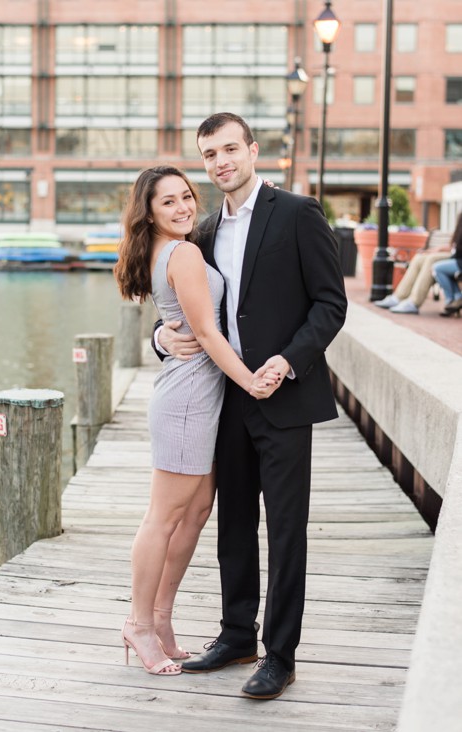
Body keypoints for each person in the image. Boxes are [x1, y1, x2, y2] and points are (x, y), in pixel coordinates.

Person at [154, 112, 347, 700]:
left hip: (284, 395)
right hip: (225, 399)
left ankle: (279, 654)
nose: (221, 162)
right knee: (232, 522)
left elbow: (330, 304)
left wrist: (288, 361)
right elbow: (182, 311)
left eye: (230, 149)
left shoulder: (298, 213)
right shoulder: (203, 232)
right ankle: (236, 634)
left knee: (286, 530)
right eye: (209, 154)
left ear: (254, 151)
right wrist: (160, 339)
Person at [114, 166, 278, 677]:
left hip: (201, 397)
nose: (184, 207)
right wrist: (251, 381)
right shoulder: (182, 253)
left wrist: (163, 338)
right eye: (169, 202)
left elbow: (179, 323)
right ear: (150, 212)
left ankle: (161, 617)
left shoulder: (178, 246)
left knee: (198, 509)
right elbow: (207, 333)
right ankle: (139, 623)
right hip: (187, 397)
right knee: (163, 517)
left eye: (187, 196)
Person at [433, 212, 462, 317]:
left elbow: (457, 249)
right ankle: (457, 297)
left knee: (437, 268)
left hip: (459, 262)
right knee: (438, 268)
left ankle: (451, 299)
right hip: (457, 261)